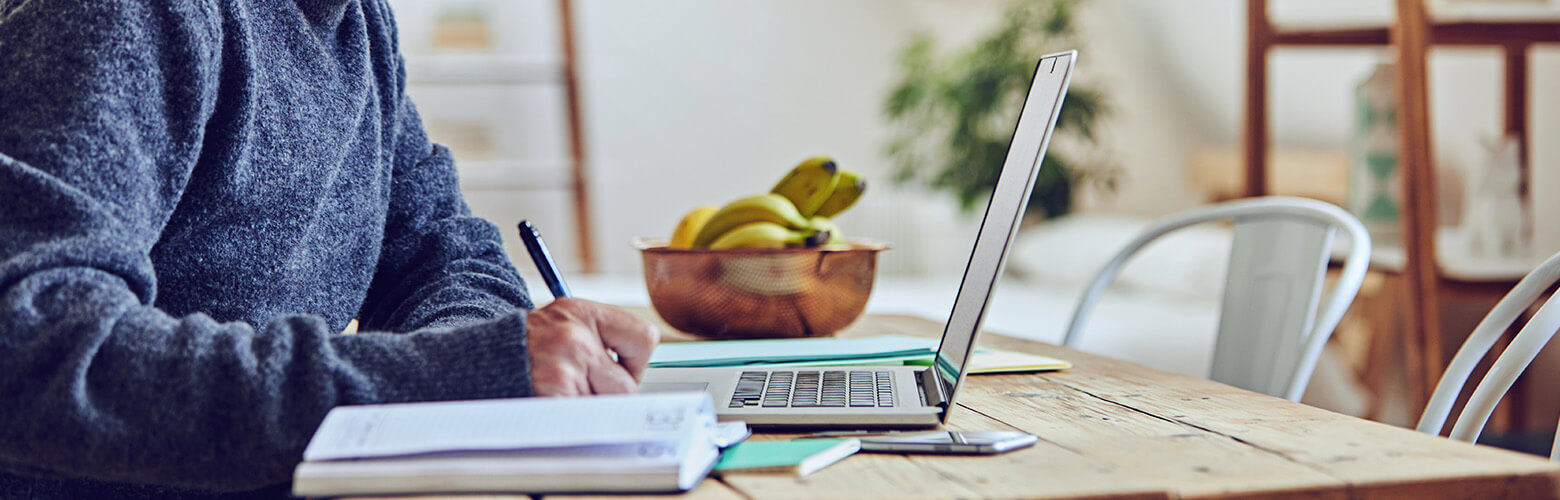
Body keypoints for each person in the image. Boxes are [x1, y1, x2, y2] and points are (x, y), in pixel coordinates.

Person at [0, 0, 660, 497]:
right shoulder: (122, 15)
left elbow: (442, 252)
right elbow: (30, 349)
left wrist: (464, 381)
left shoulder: (355, 21)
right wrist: (439, 381)